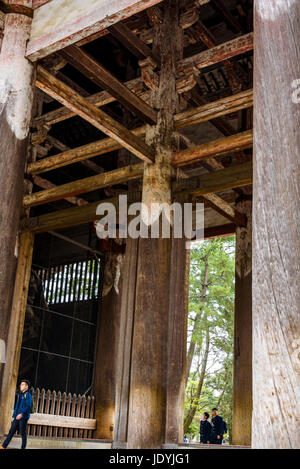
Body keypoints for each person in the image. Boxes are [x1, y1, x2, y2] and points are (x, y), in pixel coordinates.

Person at [0, 379, 32, 450]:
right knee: (11, 432)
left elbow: (28, 406)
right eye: (21, 384)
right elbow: (17, 406)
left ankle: (23, 448)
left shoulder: (28, 395)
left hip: (23, 418)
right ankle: (3, 446)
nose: (21, 386)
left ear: (26, 386)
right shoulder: (20, 395)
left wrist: (22, 414)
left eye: (23, 384)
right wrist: (14, 416)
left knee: (23, 434)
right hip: (16, 417)